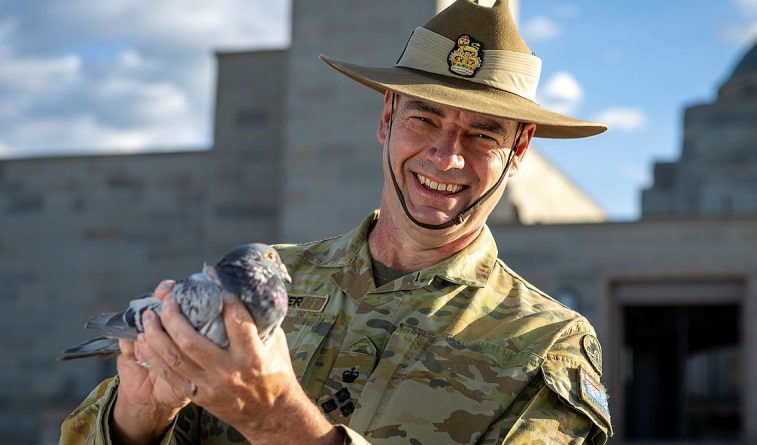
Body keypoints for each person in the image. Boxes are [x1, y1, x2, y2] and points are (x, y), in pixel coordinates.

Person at [60, 1, 612, 443]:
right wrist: (137, 416)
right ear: (386, 119)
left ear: (519, 151)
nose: (446, 156)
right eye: (424, 118)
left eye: (484, 134)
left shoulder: (546, 344)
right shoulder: (262, 280)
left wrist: (278, 422)